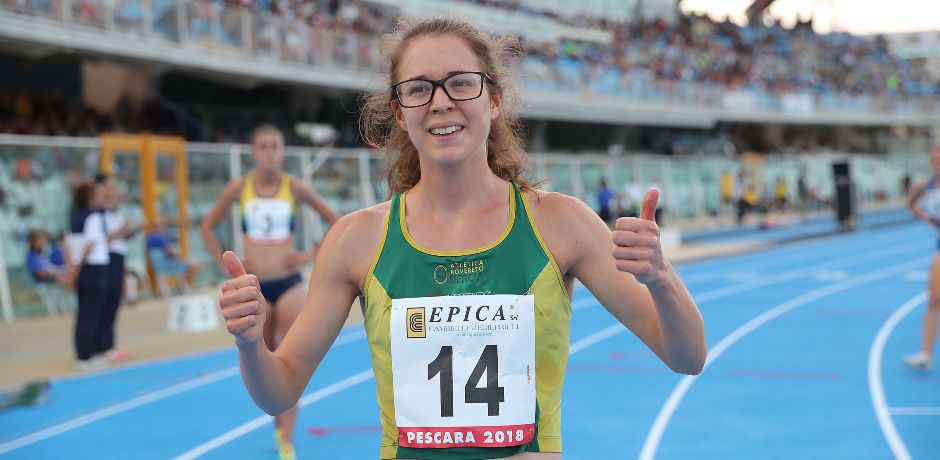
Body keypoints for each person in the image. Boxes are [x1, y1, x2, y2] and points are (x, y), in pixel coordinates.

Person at [217, 17, 705, 460]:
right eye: (419, 88)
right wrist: (249, 342)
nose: (440, 101)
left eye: (460, 82)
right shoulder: (356, 240)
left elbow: (687, 356)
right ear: (400, 113)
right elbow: (279, 391)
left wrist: (661, 277)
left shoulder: (562, 224)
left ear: (494, 100)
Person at [201, 123, 339, 460]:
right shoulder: (240, 188)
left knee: (289, 363)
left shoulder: (295, 187)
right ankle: (278, 426)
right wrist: (223, 262)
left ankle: (287, 440)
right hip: (256, 285)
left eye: (275, 146)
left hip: (289, 283)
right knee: (263, 363)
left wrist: (308, 255)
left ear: (282, 151)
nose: (269, 153)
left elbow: (334, 220)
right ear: (254, 152)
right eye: (263, 146)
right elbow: (208, 226)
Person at [65, 182, 111, 371]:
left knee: (84, 313)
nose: (101, 198)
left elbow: (68, 245)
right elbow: (90, 245)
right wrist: (77, 268)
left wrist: (73, 268)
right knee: (91, 313)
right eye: (97, 195)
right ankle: (86, 356)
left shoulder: (74, 217)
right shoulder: (93, 217)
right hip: (93, 267)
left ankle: (83, 354)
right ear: (90, 198)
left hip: (83, 268)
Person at [903, 148, 940, 371]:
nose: (937, 164)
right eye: (934, 161)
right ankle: (925, 354)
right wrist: (926, 217)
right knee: (934, 298)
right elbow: (909, 204)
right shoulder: (925, 185)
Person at [95, 173, 138, 363]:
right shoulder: (98, 213)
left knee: (114, 301)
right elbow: (101, 240)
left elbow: (120, 236)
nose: (113, 191)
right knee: (105, 301)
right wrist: (120, 231)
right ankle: (103, 345)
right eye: (109, 187)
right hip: (107, 258)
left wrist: (129, 231)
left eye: (114, 187)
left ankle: (109, 343)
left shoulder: (114, 211)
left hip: (118, 256)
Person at [147, 215, 200, 291]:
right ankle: (188, 286)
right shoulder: (160, 237)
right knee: (193, 266)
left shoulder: (151, 237)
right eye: (163, 224)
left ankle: (185, 286)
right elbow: (171, 252)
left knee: (189, 264)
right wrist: (183, 259)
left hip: (159, 266)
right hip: (166, 265)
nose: (165, 227)